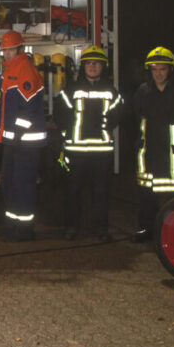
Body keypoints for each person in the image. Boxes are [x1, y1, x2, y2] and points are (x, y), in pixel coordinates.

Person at [0, 31, 47, 242]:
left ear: (20, 49)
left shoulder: (25, 70)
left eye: (10, 50)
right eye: (5, 50)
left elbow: (28, 109)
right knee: (8, 183)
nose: (6, 53)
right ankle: (12, 225)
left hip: (25, 142)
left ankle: (25, 230)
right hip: (14, 141)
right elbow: (1, 84)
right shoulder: (13, 69)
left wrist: (18, 134)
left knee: (22, 185)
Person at [56, 46, 123, 243]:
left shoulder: (111, 91)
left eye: (97, 63)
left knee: (101, 192)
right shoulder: (71, 90)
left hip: (101, 152)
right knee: (72, 191)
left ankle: (101, 229)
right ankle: (71, 227)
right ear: (83, 66)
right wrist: (66, 135)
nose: (92, 67)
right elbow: (61, 115)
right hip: (75, 151)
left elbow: (118, 113)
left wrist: (106, 127)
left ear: (104, 67)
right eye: (89, 63)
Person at [132, 46, 174, 242]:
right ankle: (146, 230)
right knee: (146, 196)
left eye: (162, 69)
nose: (158, 73)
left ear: (171, 70)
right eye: (154, 69)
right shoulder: (143, 91)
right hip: (149, 152)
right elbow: (136, 118)